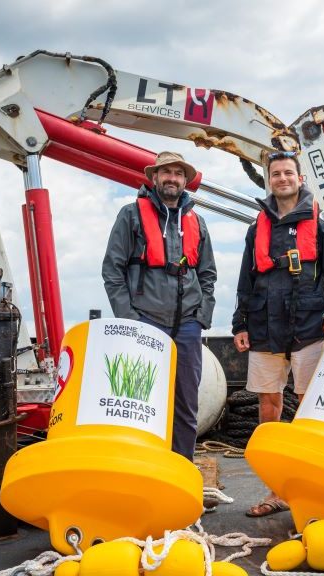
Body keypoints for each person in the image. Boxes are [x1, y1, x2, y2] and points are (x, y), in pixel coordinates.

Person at [232, 151, 324, 516]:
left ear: (300, 178)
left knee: (309, 408)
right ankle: (276, 490)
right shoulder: (257, 229)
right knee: (268, 407)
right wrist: (240, 323)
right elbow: (245, 282)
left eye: (289, 173)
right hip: (265, 330)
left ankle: (310, 489)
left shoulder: (323, 223)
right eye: (276, 174)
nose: (282, 178)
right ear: (268, 180)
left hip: (308, 328)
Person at [102, 151, 217, 461]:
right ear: (154, 178)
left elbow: (208, 275)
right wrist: (129, 319)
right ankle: (142, 466)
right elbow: (112, 271)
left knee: (185, 402)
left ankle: (181, 467)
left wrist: (201, 317)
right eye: (166, 172)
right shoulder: (130, 215)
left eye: (178, 173)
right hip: (145, 322)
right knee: (140, 399)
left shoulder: (198, 221)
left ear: (184, 180)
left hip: (188, 325)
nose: (172, 178)